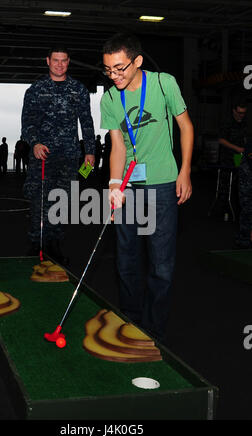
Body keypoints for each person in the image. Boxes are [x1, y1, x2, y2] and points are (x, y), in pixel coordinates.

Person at [100, 33, 194, 342]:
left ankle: (154, 330)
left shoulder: (164, 83)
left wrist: (185, 172)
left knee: (161, 263)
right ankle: (131, 320)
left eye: (119, 68)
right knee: (126, 259)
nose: (114, 76)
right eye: (108, 70)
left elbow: (186, 126)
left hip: (163, 184)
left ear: (137, 61)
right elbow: (116, 145)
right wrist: (114, 185)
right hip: (127, 186)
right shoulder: (111, 97)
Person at [21, 45, 96, 263]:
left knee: (62, 200)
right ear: (48, 61)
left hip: (69, 155)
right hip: (42, 155)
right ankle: (37, 243)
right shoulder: (36, 89)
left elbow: (87, 122)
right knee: (39, 199)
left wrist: (89, 152)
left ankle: (54, 243)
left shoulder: (78, 89)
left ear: (68, 62)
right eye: (56, 60)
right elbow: (28, 122)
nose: (60, 64)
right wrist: (34, 143)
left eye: (64, 60)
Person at [217, 98, 248, 218]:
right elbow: (221, 140)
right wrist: (237, 148)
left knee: (239, 182)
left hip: (238, 156)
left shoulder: (244, 123)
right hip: (227, 156)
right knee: (225, 185)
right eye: (240, 113)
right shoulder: (227, 121)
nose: (242, 115)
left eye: (244, 113)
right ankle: (224, 211)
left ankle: (238, 211)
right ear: (234, 111)